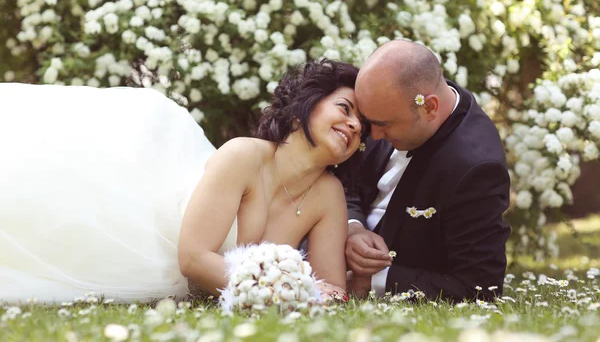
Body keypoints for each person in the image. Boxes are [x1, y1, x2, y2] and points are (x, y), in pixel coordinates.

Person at [0, 60, 364, 303]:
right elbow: (192, 258)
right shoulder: (244, 156)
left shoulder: (329, 194)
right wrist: (277, 290)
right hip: (140, 233)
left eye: (361, 125)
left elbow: (331, 289)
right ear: (304, 109)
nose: (354, 125)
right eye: (344, 109)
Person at [344, 40, 511, 302]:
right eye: (369, 122)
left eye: (383, 125)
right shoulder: (387, 104)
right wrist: (352, 227)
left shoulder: (475, 169)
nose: (372, 135)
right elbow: (344, 178)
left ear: (430, 107)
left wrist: (374, 279)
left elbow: (479, 288)